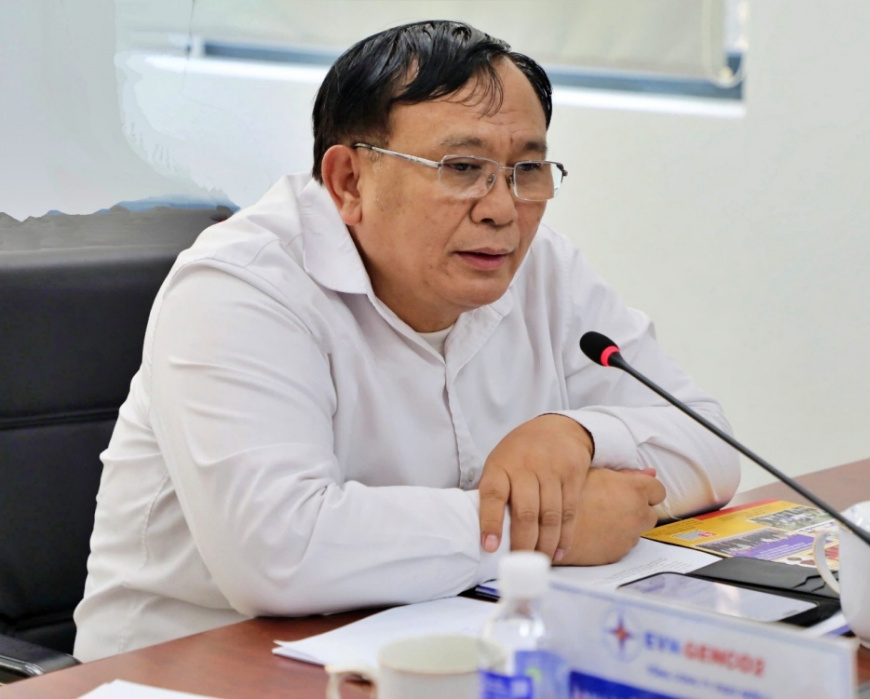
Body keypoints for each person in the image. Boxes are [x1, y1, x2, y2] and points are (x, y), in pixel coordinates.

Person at [73, 19, 740, 660]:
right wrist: (543, 529)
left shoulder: (542, 269)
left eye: (527, 170)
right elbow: (278, 552)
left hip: (428, 646)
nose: (502, 209)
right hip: (192, 670)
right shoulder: (240, 286)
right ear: (349, 181)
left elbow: (711, 444)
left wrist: (578, 434)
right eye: (462, 166)